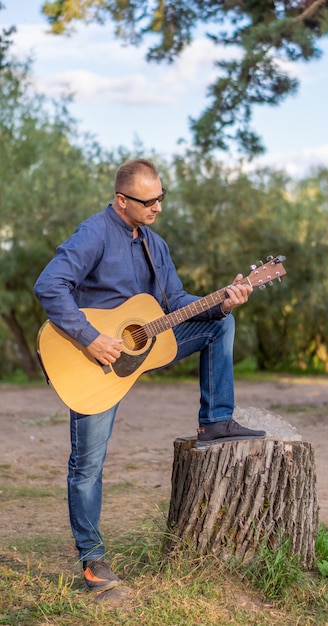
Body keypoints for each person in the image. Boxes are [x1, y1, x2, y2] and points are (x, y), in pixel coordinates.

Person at [34, 158, 265, 593]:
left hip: (145, 347)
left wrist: (223, 300)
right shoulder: (94, 233)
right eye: (149, 200)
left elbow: (175, 300)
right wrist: (90, 338)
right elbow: (49, 286)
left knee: (220, 324)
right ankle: (92, 560)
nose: (158, 206)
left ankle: (215, 419)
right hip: (95, 363)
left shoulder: (155, 243)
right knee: (87, 465)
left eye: (161, 197)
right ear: (122, 200)